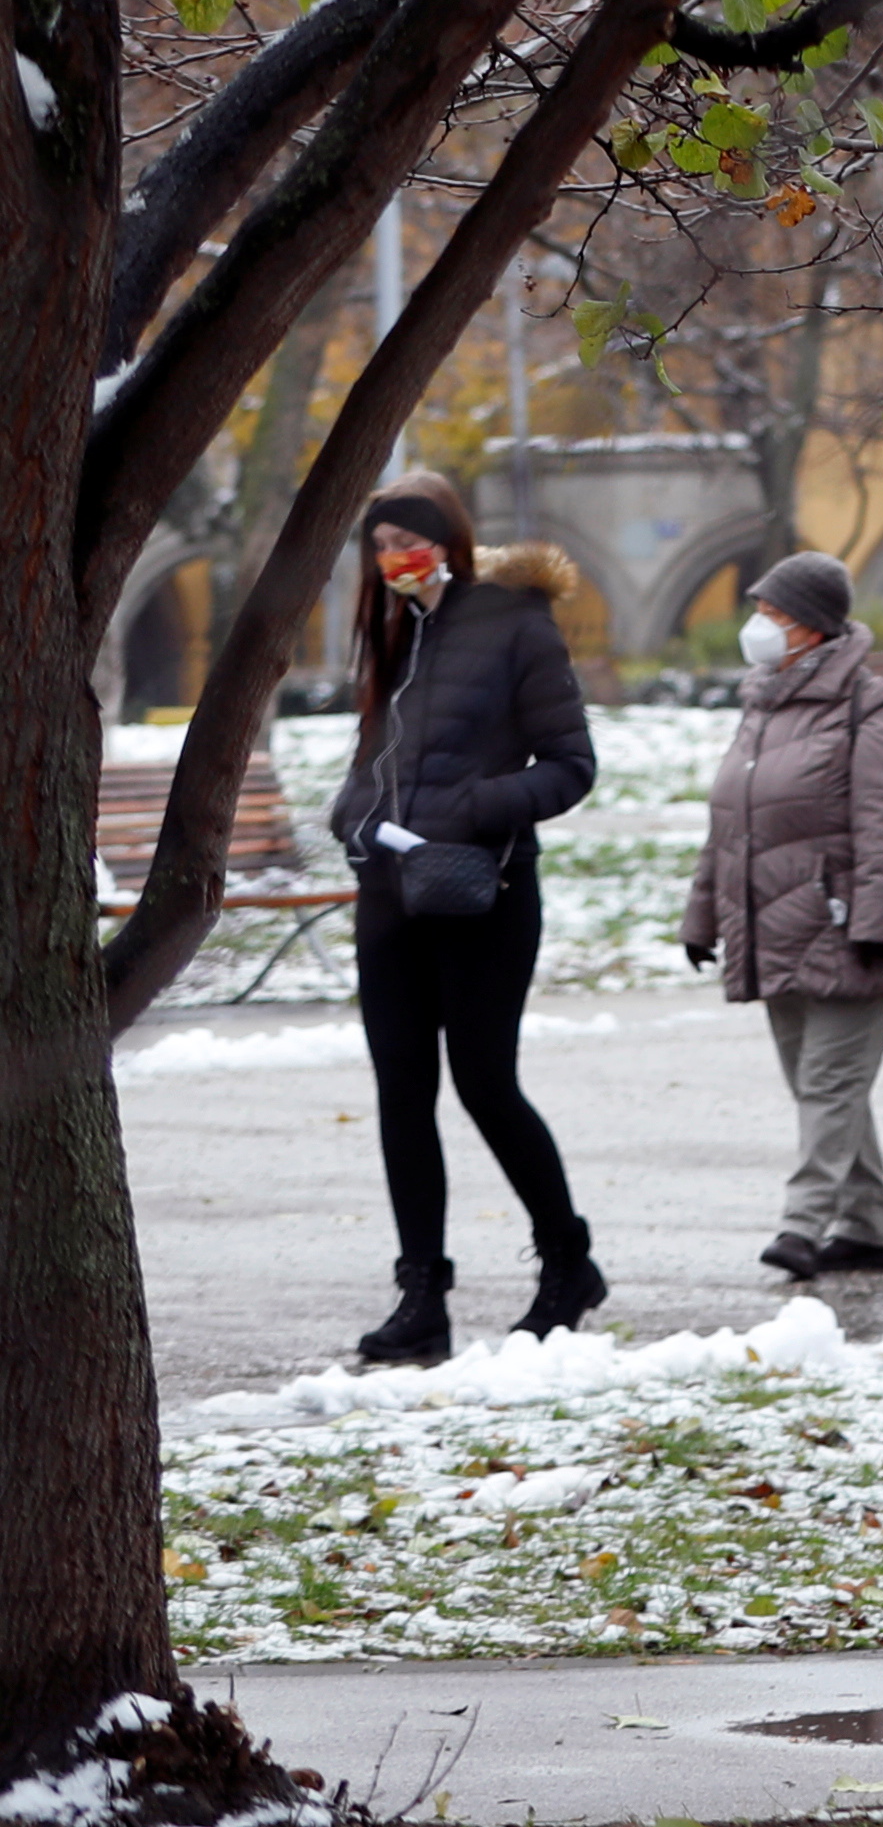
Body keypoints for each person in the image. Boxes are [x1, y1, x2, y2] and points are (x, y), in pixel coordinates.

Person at [326, 484, 605, 1364]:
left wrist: (475, 808)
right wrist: (354, 813)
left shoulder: (515, 623)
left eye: (406, 540)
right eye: (379, 545)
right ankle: (422, 1296)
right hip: (392, 895)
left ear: (448, 542)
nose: (391, 557)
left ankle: (568, 1260)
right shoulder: (396, 632)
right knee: (401, 1092)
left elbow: (570, 766)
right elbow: (373, 757)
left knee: (485, 1083)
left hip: (487, 888)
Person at [680, 548, 883, 1283]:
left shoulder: (873, 704)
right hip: (776, 927)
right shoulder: (763, 705)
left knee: (828, 1083)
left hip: (855, 930)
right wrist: (704, 917)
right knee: (822, 1085)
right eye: (759, 611)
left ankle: (802, 1224)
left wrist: (878, 923)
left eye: (775, 614)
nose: (759, 626)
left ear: (816, 627)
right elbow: (731, 824)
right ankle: (868, 1227)